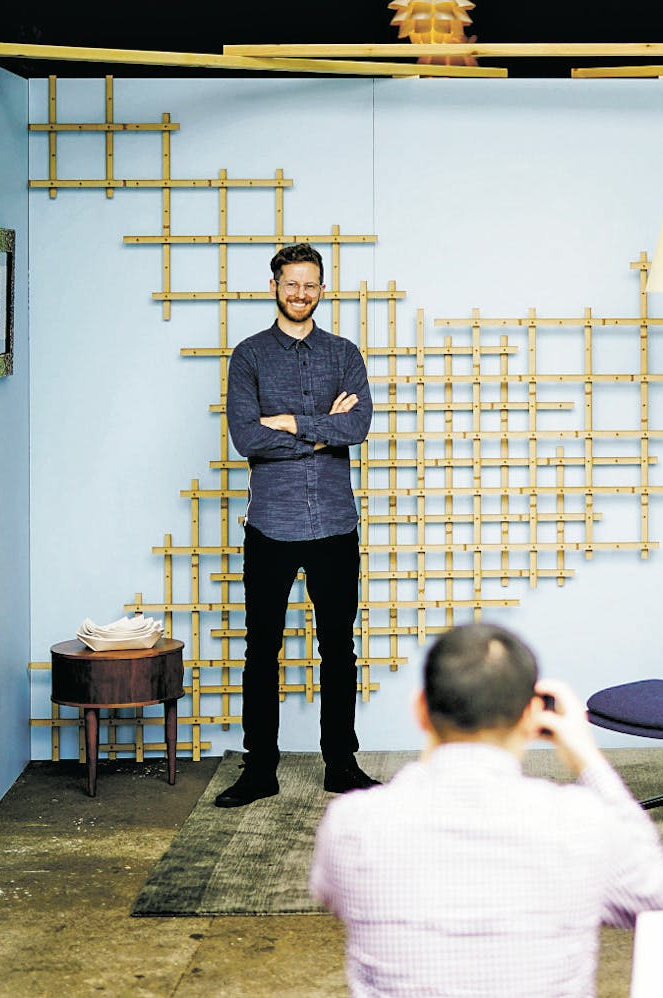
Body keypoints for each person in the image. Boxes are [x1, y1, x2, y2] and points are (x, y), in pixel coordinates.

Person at [309, 623, 663, 998]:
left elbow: (331, 894)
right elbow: (654, 895)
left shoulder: (351, 824)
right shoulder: (582, 822)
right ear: (533, 717)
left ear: (421, 710)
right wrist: (587, 756)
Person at [218, 243, 375, 807]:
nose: (300, 294)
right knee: (262, 651)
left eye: (310, 285)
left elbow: (357, 425)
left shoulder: (344, 353)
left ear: (323, 288)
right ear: (274, 286)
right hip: (271, 527)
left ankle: (342, 764)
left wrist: (287, 422)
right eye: (291, 284)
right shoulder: (250, 356)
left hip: (335, 524)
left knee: (339, 649)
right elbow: (246, 438)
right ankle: (259, 770)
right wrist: (319, 430)